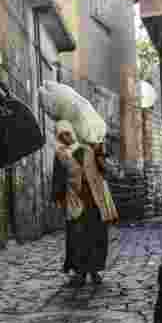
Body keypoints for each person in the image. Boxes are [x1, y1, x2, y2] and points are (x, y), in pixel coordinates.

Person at [52, 122, 117, 286]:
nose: (66, 137)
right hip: (75, 202)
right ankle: (80, 272)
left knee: (97, 236)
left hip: (95, 201)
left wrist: (100, 153)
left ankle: (94, 270)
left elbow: (104, 170)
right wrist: (59, 198)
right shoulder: (60, 154)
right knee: (77, 238)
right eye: (62, 135)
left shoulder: (89, 149)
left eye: (68, 133)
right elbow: (58, 178)